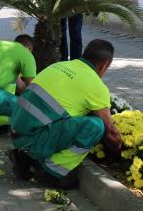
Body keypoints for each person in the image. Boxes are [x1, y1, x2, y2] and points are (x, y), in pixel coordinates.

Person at [9, 39, 122, 189]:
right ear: (104, 66)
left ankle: (25, 156)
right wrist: (120, 155)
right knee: (96, 126)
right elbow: (110, 131)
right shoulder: (96, 86)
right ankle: (52, 172)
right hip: (35, 138)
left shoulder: (59, 65)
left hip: (16, 132)